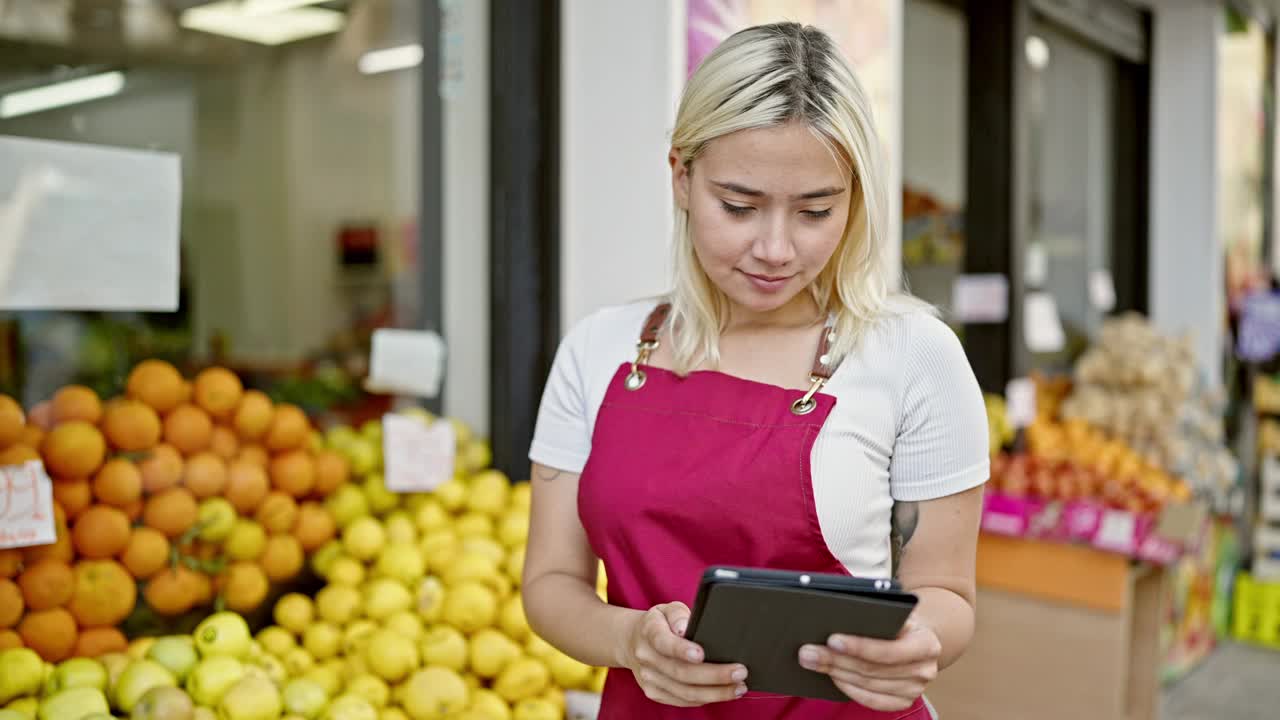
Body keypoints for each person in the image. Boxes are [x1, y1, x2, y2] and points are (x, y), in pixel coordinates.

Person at [522, 22, 988, 719]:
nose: (774, 247)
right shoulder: (598, 350)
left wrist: (918, 643)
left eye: (815, 211)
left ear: (854, 198)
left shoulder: (913, 357)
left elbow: (948, 593)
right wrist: (629, 639)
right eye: (738, 206)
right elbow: (553, 582)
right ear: (681, 177)